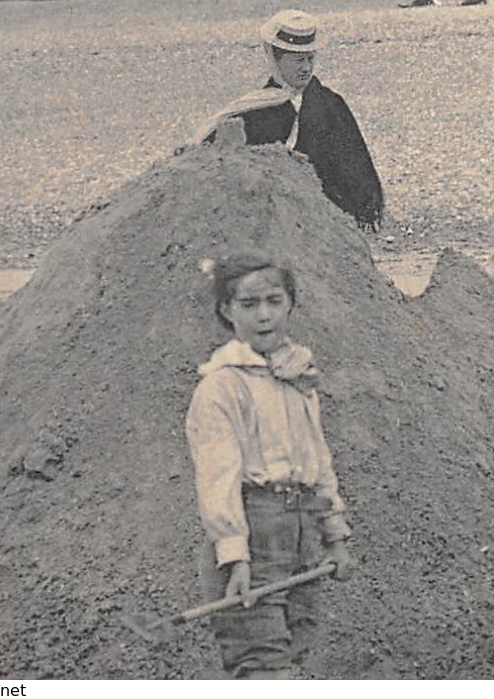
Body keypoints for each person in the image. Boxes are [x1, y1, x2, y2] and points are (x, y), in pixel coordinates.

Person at [184, 253, 355, 678]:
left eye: (274, 301)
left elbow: (318, 461)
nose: (264, 316)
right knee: (261, 662)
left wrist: (334, 535)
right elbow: (218, 479)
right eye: (248, 304)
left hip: (301, 532)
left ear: (290, 304)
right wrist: (235, 558)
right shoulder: (222, 386)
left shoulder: (297, 376)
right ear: (226, 310)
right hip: (255, 530)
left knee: (297, 647)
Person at [193, 10, 385, 231]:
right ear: (275, 59)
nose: (306, 68)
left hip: (326, 221)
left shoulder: (330, 105)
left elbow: (355, 164)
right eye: (297, 61)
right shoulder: (253, 111)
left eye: (310, 59)